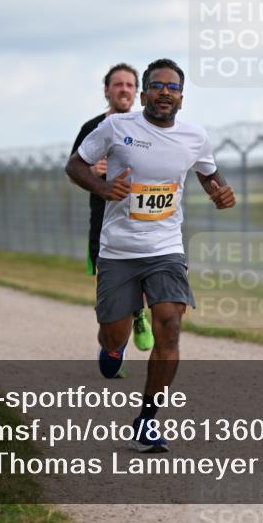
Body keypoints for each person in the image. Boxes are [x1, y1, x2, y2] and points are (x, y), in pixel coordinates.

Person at [65, 58, 236, 452]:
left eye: (172, 87)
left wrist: (220, 191)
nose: (164, 92)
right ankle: (111, 345)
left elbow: (208, 171)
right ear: (143, 94)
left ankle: (146, 421)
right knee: (114, 332)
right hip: (119, 250)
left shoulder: (194, 137)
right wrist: (102, 188)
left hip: (165, 248)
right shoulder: (116, 127)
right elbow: (76, 165)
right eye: (157, 86)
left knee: (171, 325)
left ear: (181, 97)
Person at [70, 63, 154, 352]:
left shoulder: (147, 127)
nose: (124, 90)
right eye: (118, 84)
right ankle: (113, 344)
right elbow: (74, 168)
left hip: (143, 216)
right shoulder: (92, 128)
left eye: (130, 85)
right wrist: (94, 172)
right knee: (109, 286)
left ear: (137, 92)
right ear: (106, 90)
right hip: (104, 218)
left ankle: (139, 314)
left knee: (145, 270)